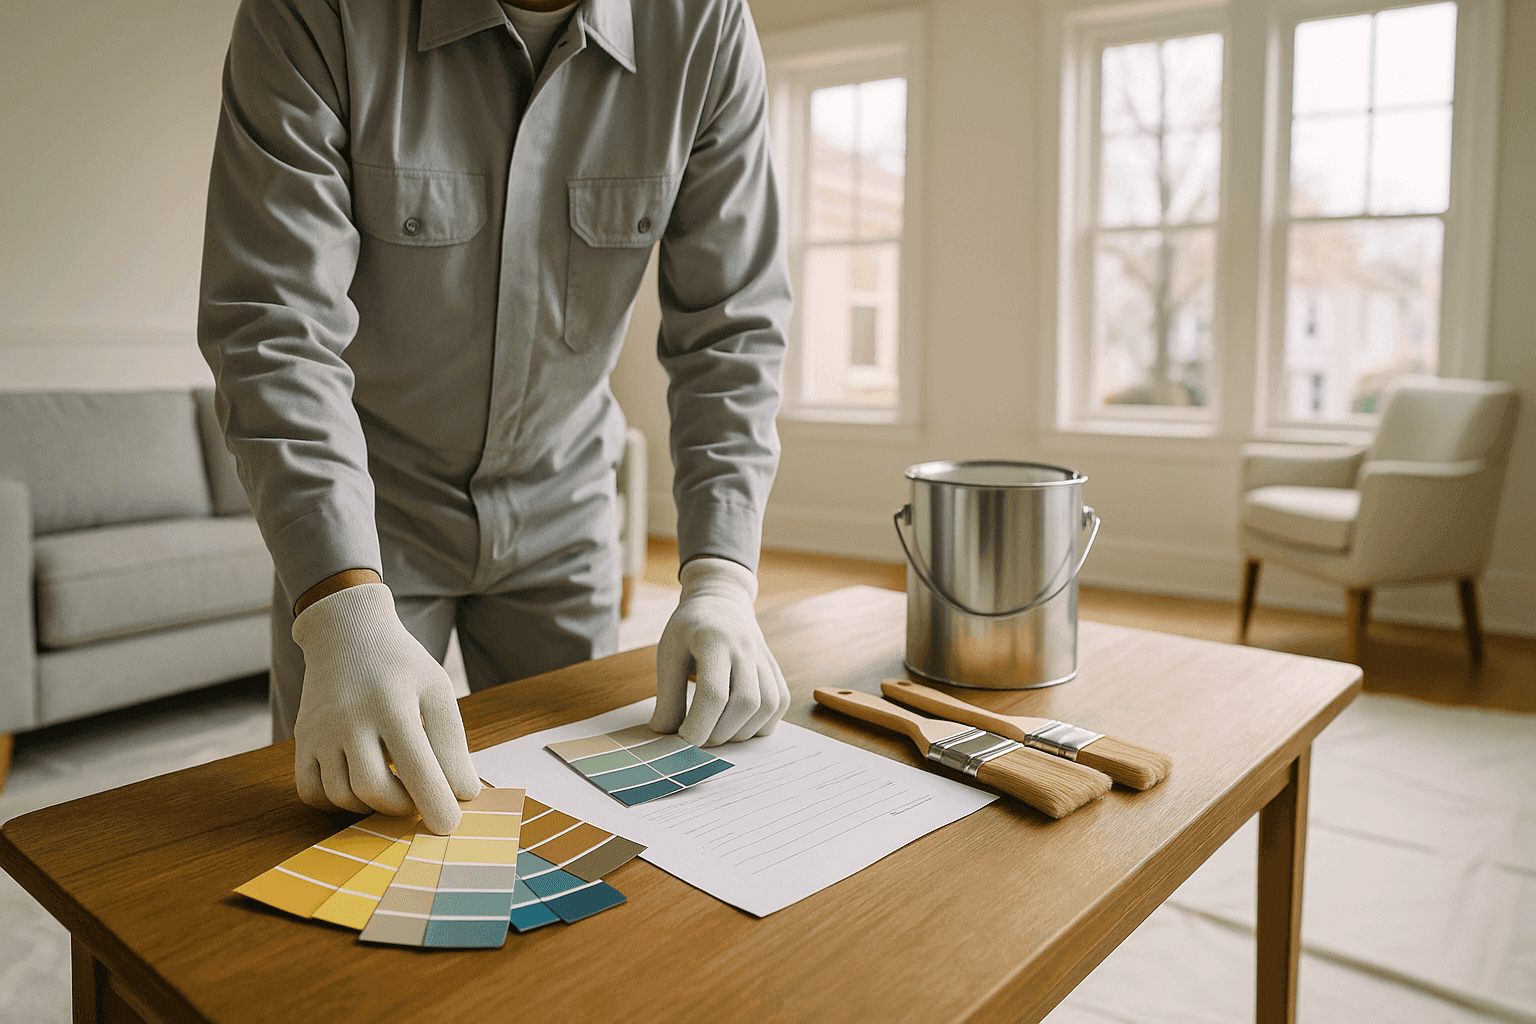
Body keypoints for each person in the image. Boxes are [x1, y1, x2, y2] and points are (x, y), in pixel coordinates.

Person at [198, 0, 791, 836]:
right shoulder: (315, 12)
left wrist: (723, 579)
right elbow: (272, 320)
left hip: (567, 506)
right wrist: (341, 604)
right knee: (342, 836)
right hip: (366, 518)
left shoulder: (705, 25)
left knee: (587, 827)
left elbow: (732, 327)